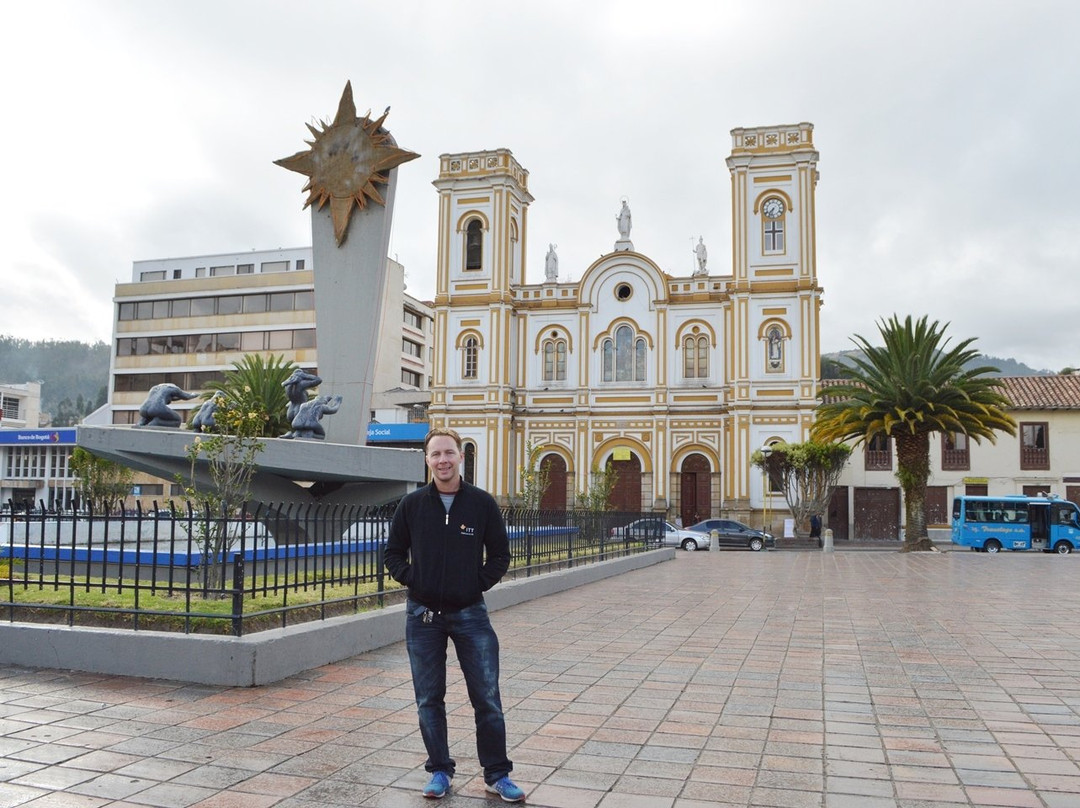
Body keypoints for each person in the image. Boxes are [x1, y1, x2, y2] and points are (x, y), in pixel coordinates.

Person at [384, 428, 526, 803]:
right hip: (423, 615)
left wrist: (472, 585)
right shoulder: (411, 505)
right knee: (429, 699)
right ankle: (440, 771)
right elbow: (392, 554)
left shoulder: (481, 504)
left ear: (460, 457)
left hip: (470, 614)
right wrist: (415, 580)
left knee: (487, 697)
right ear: (427, 460)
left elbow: (499, 555)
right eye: (436, 454)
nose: (443, 460)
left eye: (449, 453)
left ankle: (497, 774)